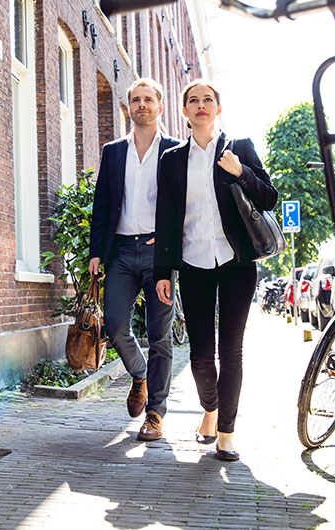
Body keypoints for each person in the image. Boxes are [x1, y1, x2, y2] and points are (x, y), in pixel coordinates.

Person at [154, 79, 278, 461]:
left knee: (232, 350)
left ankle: (226, 432)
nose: (201, 105)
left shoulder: (239, 147)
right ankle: (210, 408)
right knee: (200, 356)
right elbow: (167, 217)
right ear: (184, 111)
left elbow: (269, 196)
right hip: (194, 264)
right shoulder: (172, 159)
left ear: (218, 108)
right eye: (193, 100)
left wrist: (241, 171)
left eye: (208, 99)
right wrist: (163, 271)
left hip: (237, 262)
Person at [88, 78, 181, 441]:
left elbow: (184, 203)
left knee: (160, 335)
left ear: (159, 106)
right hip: (123, 251)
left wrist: (170, 240)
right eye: (135, 100)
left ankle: (155, 413)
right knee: (114, 324)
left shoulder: (174, 150)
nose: (142, 105)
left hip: (160, 255)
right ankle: (140, 374)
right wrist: (97, 252)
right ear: (128, 107)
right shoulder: (113, 152)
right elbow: (103, 206)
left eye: (148, 99)